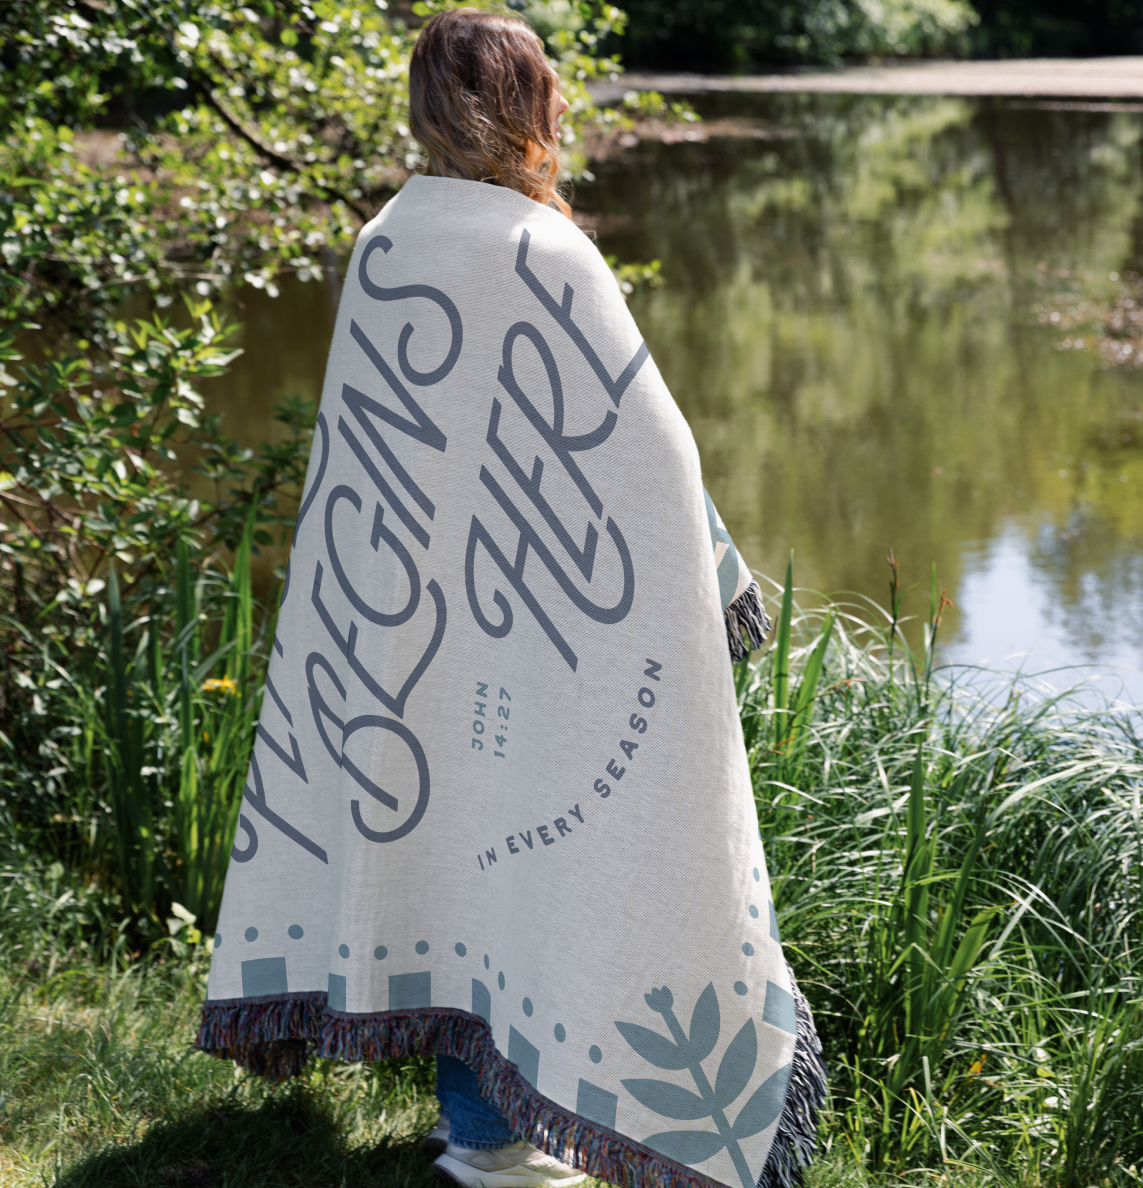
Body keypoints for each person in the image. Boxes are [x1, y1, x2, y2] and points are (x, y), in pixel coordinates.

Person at [197, 9, 823, 1188]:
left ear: (425, 109)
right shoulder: (549, 253)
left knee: (456, 861)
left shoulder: (384, 242)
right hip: (532, 647)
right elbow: (654, 453)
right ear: (535, 109)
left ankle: (481, 1133)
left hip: (411, 642)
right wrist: (718, 577)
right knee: (524, 861)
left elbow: (371, 484)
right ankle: (498, 1143)